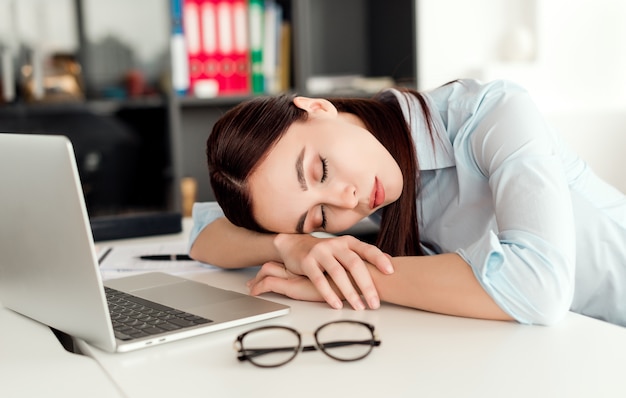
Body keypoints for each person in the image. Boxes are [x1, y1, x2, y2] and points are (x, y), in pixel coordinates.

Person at [189, 79, 626, 327]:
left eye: (320, 169)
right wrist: (291, 246)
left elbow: (539, 287)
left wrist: (350, 280)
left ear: (319, 108)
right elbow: (203, 235)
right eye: (319, 216)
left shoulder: (490, 113)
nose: (346, 199)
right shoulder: (367, 172)